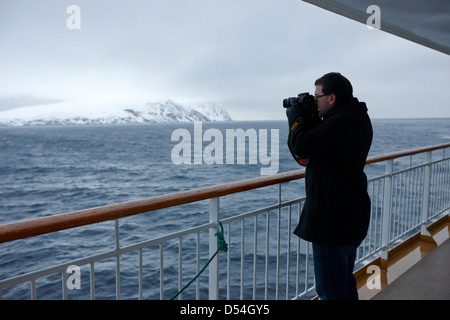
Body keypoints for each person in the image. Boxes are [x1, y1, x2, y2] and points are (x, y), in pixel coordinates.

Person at [285, 72, 373, 300]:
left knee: (330, 291)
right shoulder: (354, 117)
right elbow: (321, 144)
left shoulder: (342, 122)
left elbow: (303, 145)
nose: (314, 101)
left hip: (332, 221)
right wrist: (312, 116)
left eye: (317, 96)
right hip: (349, 216)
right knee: (343, 281)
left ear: (332, 98)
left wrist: (296, 115)